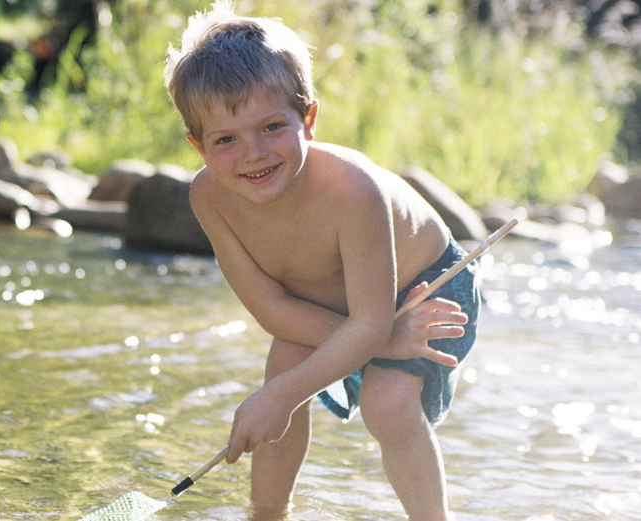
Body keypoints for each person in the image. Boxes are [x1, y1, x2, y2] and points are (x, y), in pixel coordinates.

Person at [163, 2, 480, 519]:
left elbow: (373, 321)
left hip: (424, 284)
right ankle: (267, 513)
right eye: (226, 139)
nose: (253, 154)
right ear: (198, 147)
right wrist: (281, 394)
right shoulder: (209, 197)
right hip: (333, 304)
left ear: (308, 118)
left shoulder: (354, 192)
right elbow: (270, 307)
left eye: (271, 127)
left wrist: (383, 337)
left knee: (388, 405)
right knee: (283, 367)